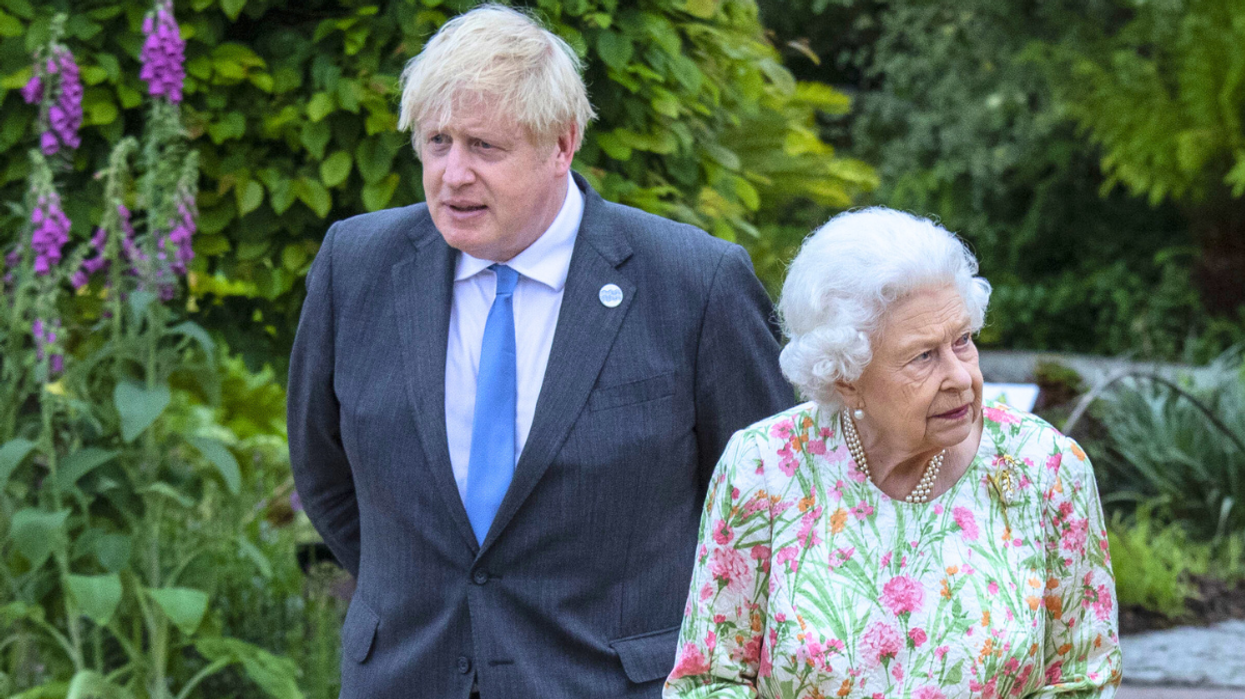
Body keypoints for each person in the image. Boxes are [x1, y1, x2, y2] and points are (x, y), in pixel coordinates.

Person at [286, 5, 793, 699]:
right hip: (407, 675)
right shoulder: (358, 264)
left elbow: (769, 505)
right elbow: (322, 467)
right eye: (436, 142)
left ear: (562, 144)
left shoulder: (692, 283)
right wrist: (424, 592)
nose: (453, 174)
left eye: (484, 147)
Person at [664, 208, 1122, 698]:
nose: (962, 376)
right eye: (923, 356)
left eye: (963, 341)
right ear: (846, 379)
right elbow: (710, 680)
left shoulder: (1046, 467)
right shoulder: (764, 468)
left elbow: (1082, 680)